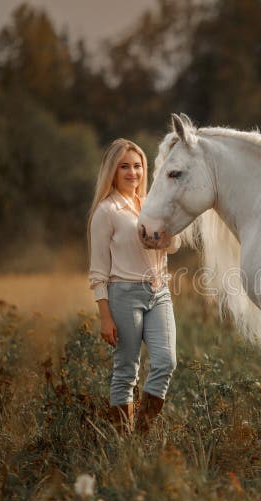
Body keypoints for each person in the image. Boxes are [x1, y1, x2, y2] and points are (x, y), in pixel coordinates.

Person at [87, 138, 181, 434]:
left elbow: (174, 244)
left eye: (137, 166)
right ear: (112, 171)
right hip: (123, 294)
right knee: (126, 369)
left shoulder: (153, 202)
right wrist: (105, 316)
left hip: (160, 292)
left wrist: (167, 238)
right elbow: (98, 271)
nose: (132, 172)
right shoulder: (106, 211)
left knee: (166, 362)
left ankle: (140, 436)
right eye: (124, 166)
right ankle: (120, 440)